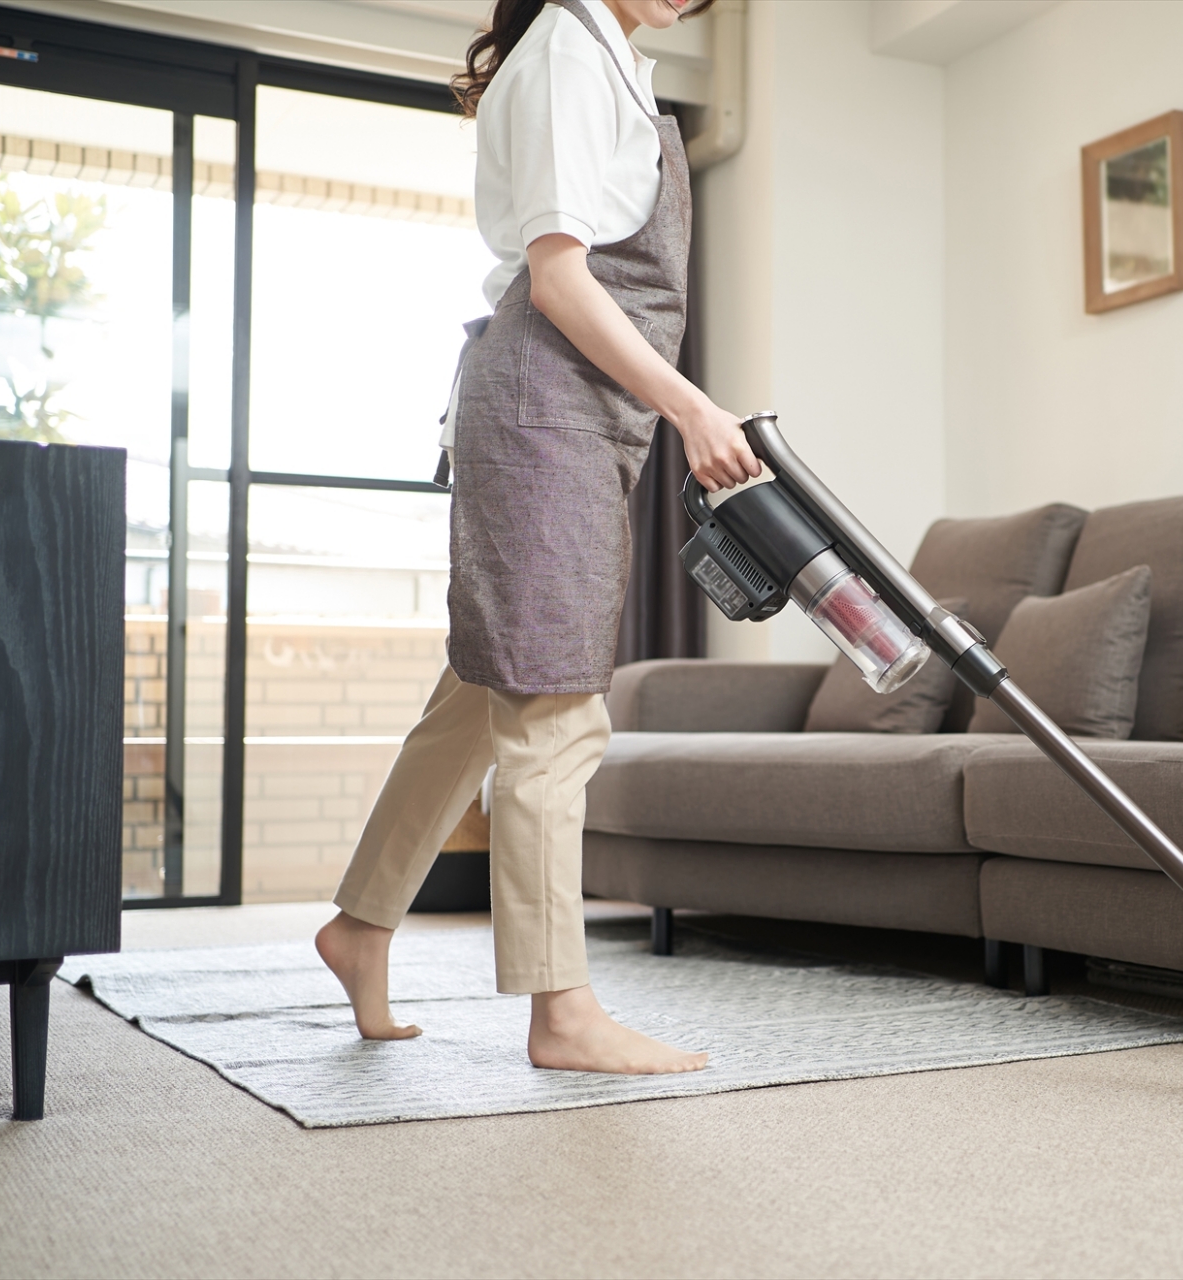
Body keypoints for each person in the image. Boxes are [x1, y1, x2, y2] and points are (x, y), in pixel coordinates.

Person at [315, 0, 758, 1075]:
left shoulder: (613, 63)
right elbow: (560, 279)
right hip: (545, 403)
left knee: (485, 689)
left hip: (578, 406)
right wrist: (695, 406)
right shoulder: (567, 46)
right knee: (557, 707)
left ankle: (361, 925)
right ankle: (561, 1011)